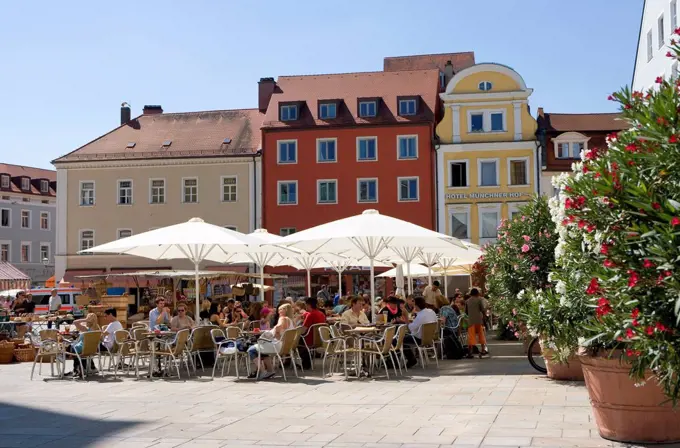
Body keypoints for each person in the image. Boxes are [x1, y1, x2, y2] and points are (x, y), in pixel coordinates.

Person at [247, 303, 294, 379]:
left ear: (285, 311)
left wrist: (274, 329)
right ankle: (270, 371)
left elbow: (278, 327)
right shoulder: (291, 320)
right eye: (278, 310)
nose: (278, 312)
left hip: (278, 346)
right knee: (262, 350)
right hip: (285, 346)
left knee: (251, 350)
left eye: (280, 310)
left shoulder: (283, 318)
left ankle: (263, 372)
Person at [403, 297, 438, 368]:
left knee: (399, 339)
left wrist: (406, 318)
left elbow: (410, 328)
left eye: (414, 304)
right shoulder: (431, 312)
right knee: (404, 337)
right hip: (429, 338)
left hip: (419, 339)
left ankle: (411, 359)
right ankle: (412, 358)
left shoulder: (420, 316)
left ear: (416, 305)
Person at [466, 288, 489, 358]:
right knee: (481, 335)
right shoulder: (479, 300)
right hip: (479, 321)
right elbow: (482, 309)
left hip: (471, 321)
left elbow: (466, 312)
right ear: (477, 294)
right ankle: (483, 350)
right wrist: (485, 317)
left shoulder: (467, 301)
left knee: (471, 337)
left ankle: (470, 352)